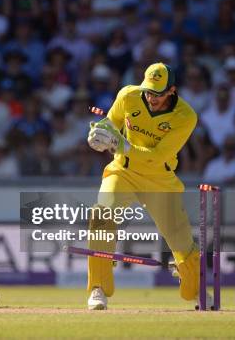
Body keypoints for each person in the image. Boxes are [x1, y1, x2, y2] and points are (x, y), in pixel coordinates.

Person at [86, 62, 200, 310]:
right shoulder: (129, 95)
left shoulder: (186, 116)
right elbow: (110, 123)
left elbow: (157, 156)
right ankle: (98, 289)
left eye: (158, 94)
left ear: (172, 90)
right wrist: (98, 133)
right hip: (123, 171)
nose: (151, 98)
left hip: (159, 177)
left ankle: (197, 292)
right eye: (148, 91)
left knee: (180, 239)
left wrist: (122, 145)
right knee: (101, 216)